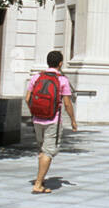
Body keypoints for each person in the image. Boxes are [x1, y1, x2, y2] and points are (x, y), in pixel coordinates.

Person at [26, 50, 77, 194]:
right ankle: (38, 184)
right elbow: (67, 104)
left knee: (42, 150)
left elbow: (27, 98)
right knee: (48, 152)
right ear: (60, 63)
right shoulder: (62, 80)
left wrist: (34, 112)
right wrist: (73, 120)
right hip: (53, 120)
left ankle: (40, 179)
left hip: (37, 119)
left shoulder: (36, 77)